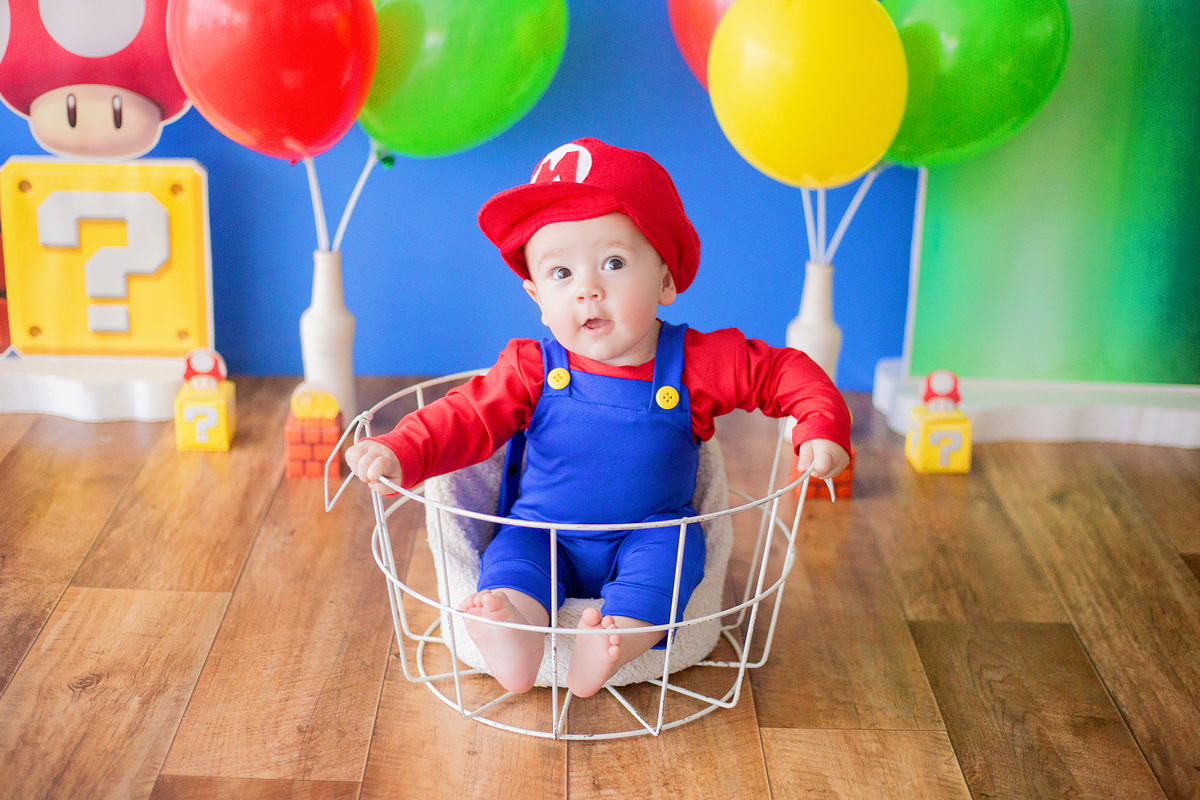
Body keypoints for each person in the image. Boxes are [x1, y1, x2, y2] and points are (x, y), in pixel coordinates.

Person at [347, 138, 851, 698]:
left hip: (649, 530)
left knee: (677, 556)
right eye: (561, 273)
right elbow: (462, 418)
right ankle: (511, 628)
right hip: (543, 530)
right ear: (536, 296)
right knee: (509, 563)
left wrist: (819, 422)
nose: (588, 288)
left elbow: (783, 371)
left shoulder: (699, 364)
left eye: (613, 263)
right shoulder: (532, 366)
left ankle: (619, 638)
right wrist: (400, 449)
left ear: (665, 278)